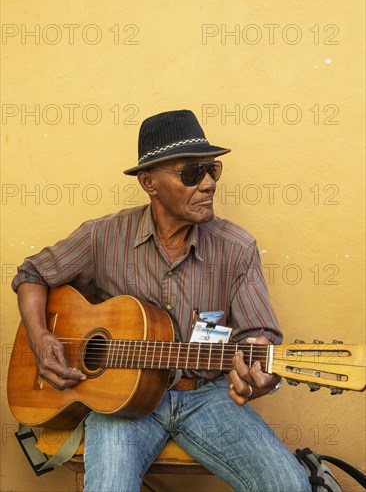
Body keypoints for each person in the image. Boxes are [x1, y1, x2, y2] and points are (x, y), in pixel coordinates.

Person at [12, 110, 310, 492]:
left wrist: (259, 376)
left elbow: (259, 336)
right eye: (191, 173)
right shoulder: (102, 237)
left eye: (212, 170)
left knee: (288, 484)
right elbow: (31, 275)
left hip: (207, 396)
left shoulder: (237, 248)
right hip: (123, 402)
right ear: (149, 182)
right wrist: (40, 338)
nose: (207, 184)